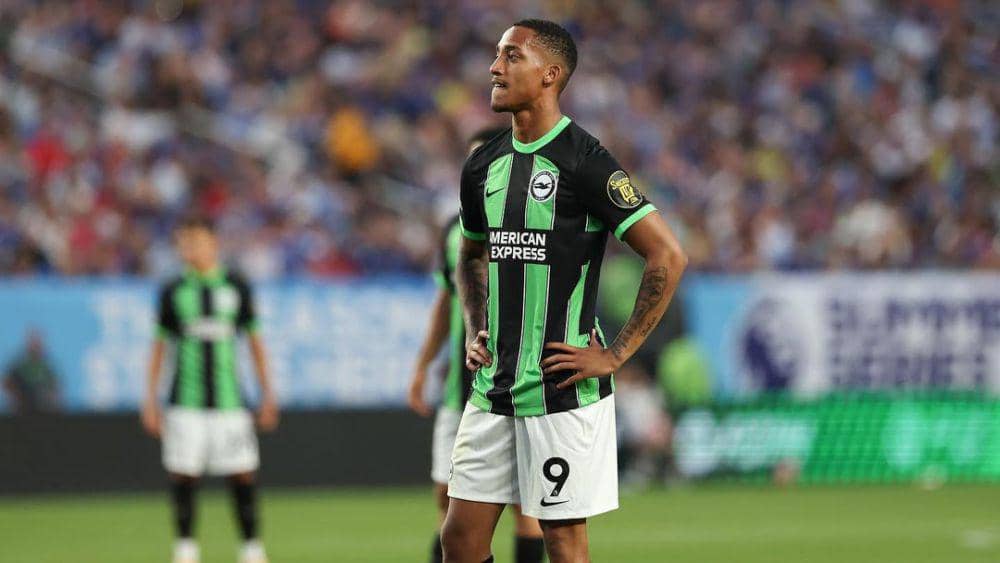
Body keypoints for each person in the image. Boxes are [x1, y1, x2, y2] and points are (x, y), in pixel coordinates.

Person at [442, 19, 687, 563]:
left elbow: (668, 255)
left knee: (562, 541)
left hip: (562, 388)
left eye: (511, 56)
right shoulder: (482, 164)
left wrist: (616, 354)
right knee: (459, 538)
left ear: (550, 74)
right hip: (494, 386)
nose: (495, 67)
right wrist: (475, 326)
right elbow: (470, 254)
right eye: (497, 55)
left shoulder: (585, 161)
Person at [409, 128, 546, 563]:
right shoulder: (455, 230)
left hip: (517, 386)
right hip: (460, 389)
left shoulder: (529, 220)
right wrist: (422, 365)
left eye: (484, 160)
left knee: (526, 509)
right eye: (471, 162)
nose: (477, 170)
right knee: (447, 501)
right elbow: (444, 304)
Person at [141, 215, 280, 563]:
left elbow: (255, 343)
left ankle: (251, 548)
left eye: (196, 241)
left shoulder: (236, 285)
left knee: (242, 472)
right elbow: (159, 348)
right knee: (183, 473)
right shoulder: (173, 290)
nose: (190, 249)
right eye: (184, 243)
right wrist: (150, 400)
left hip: (230, 401)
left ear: (213, 243)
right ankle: (185, 549)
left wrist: (267, 394)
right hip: (184, 401)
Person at [2, 329, 60, 414]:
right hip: (21, 409)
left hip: (42, 409)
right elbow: (6, 383)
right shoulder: (19, 365)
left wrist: (50, 398)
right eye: (33, 343)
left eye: (38, 343)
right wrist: (15, 397)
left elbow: (55, 388)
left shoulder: (46, 368)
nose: (36, 346)